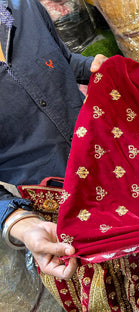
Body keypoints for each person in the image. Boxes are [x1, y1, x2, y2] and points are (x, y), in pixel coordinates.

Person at [0, 0, 106, 280]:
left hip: (108, 162)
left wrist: (95, 67)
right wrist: (20, 222)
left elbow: (61, 60)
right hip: (57, 226)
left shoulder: (21, 7)